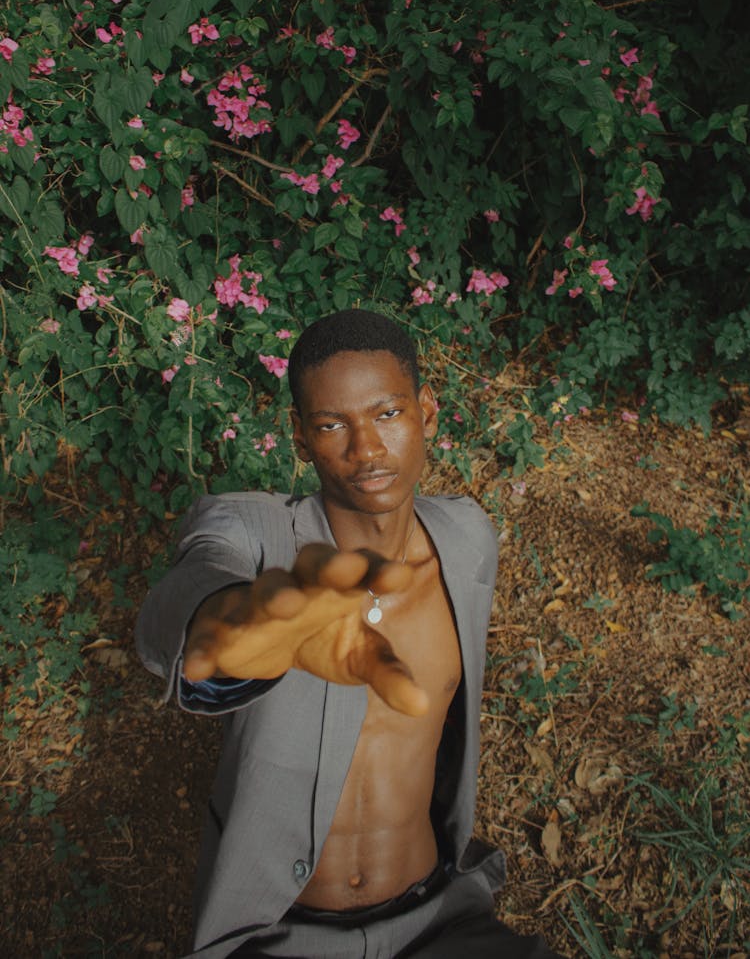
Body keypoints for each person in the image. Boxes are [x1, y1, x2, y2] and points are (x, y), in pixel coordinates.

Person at [136, 309, 564, 959]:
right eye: (332, 424)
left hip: (438, 918)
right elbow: (191, 593)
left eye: (387, 414)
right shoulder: (251, 533)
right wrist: (238, 627)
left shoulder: (469, 539)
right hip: (279, 933)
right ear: (301, 437)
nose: (365, 449)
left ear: (428, 411)